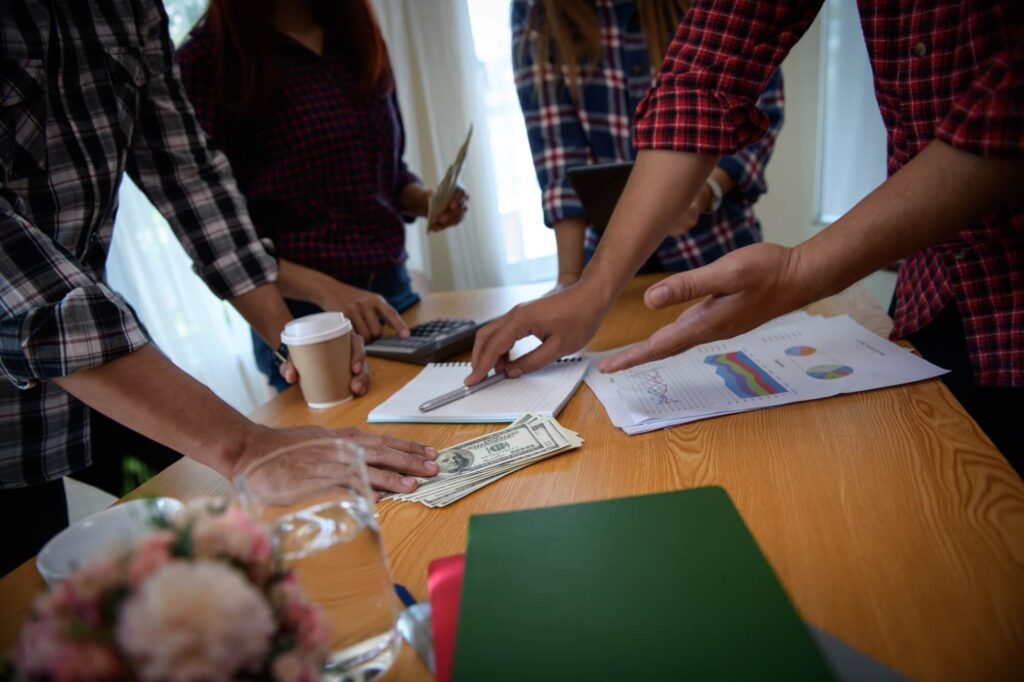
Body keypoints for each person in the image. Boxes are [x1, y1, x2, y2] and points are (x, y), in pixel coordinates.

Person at [469, 1, 1023, 474]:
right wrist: (586, 286)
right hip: (933, 289)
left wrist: (796, 268)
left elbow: (1003, 116)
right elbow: (703, 79)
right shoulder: (539, 15)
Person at [0, 0, 438, 576]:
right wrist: (244, 445)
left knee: (229, 530)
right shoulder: (212, 55)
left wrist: (290, 337)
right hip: (25, 391)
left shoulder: (129, 12)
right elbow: (22, 279)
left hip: (94, 342)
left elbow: (193, 181)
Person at [176, 0, 469, 393]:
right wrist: (326, 290)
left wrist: (424, 200)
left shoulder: (357, 37)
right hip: (301, 316)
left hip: (393, 297)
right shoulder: (205, 61)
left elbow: (386, 173)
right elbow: (217, 236)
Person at [512, 0, 783, 291]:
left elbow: (758, 111)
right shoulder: (535, 8)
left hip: (716, 250)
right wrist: (567, 281)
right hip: (612, 267)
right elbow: (557, 149)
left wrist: (706, 190)